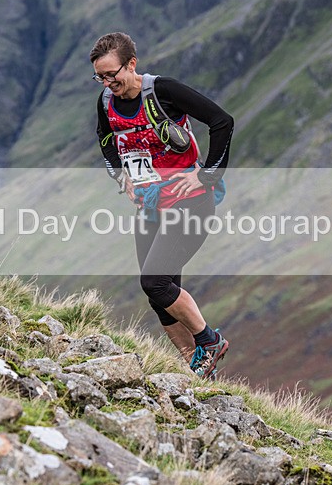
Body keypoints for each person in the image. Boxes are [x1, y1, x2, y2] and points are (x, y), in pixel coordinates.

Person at [89, 32, 234, 380]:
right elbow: (106, 138)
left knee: (153, 281)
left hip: (190, 202)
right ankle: (195, 365)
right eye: (100, 77)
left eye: (113, 74)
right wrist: (121, 176)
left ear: (132, 64)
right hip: (151, 208)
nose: (109, 83)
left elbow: (222, 122)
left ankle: (209, 341)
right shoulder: (106, 101)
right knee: (159, 293)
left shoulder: (163, 91)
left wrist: (207, 176)